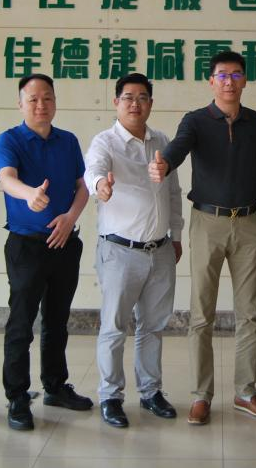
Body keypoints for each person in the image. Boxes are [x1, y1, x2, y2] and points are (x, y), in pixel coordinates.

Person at [148, 50, 256, 425]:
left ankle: (245, 392)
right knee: (201, 315)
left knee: (249, 314)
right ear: (211, 81)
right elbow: (179, 147)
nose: (229, 82)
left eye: (236, 75)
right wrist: (164, 162)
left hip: (249, 224)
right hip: (207, 222)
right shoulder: (196, 120)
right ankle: (201, 395)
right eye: (222, 75)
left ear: (245, 80)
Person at [0, 73, 93, 430]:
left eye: (47, 98)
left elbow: (83, 186)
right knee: (21, 323)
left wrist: (70, 217)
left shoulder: (68, 141)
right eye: (33, 99)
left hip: (65, 242)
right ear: (20, 103)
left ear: (55, 102)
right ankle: (17, 396)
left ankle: (55, 386)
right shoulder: (9, 139)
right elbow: (6, 177)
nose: (41, 105)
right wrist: (29, 194)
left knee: (57, 320)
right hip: (27, 245)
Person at [84, 73, 183, 428]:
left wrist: (176, 235)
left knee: (153, 327)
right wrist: (101, 186)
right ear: (116, 102)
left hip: (161, 250)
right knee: (114, 327)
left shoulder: (162, 142)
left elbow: (173, 192)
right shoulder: (105, 142)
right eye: (128, 97)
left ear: (151, 104)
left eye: (142, 97)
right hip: (120, 252)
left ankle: (150, 392)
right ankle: (111, 396)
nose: (135, 104)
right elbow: (93, 171)